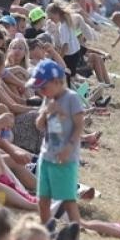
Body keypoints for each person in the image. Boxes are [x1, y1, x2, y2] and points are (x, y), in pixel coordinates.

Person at [31, 60, 84, 229]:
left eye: (43, 87)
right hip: (46, 155)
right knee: (43, 198)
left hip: (65, 157)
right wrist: (46, 112)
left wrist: (69, 146)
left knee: (68, 199)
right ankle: (46, 229)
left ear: (57, 82)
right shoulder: (48, 99)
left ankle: (75, 236)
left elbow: (79, 125)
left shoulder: (72, 98)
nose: (41, 91)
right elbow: (39, 126)